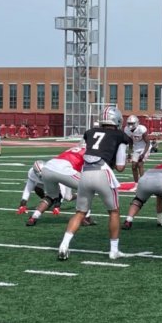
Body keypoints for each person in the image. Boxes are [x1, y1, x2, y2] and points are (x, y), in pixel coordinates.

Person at [56, 107, 132, 261]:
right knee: (114, 212)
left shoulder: (89, 132)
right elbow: (121, 167)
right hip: (103, 172)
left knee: (80, 213)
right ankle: (114, 251)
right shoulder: (120, 136)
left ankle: (64, 245)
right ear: (117, 119)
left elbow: (83, 150)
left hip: (85, 173)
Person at [26, 144, 86, 226]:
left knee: (50, 196)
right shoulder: (89, 151)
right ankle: (85, 218)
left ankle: (34, 217)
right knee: (87, 187)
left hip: (48, 167)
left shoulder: (74, 148)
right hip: (63, 169)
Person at [123, 115, 152, 181]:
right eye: (129, 123)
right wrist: (129, 153)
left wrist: (143, 154)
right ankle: (136, 183)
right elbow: (130, 142)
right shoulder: (126, 129)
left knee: (140, 164)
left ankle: (142, 183)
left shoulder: (141, 129)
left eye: (132, 123)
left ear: (136, 123)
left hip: (145, 147)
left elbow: (148, 142)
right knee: (133, 166)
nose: (130, 125)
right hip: (136, 148)